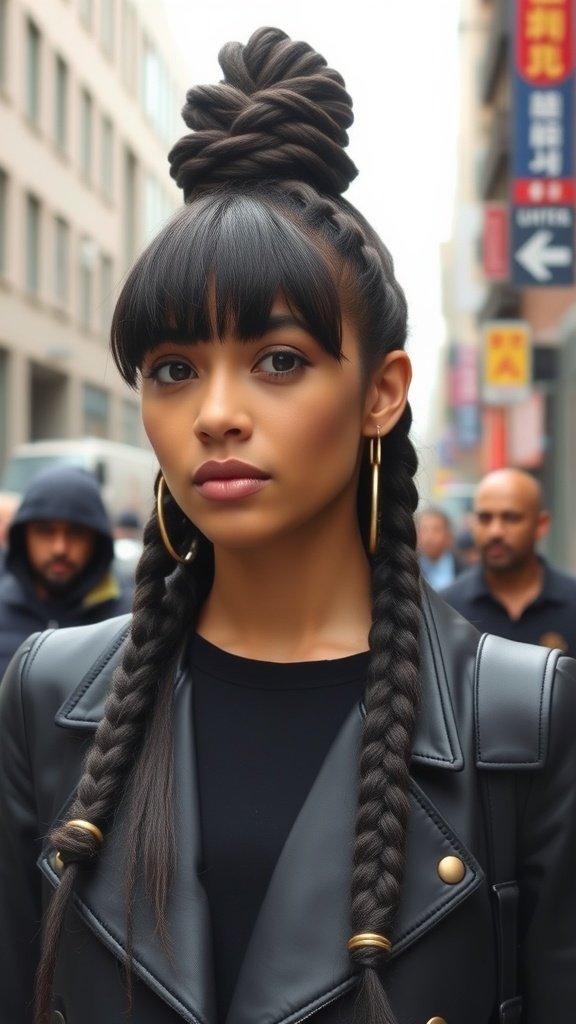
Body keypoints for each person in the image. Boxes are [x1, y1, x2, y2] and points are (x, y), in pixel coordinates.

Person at [0, 28, 575, 1024]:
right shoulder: (47, 700)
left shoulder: (522, 720)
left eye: (278, 360)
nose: (215, 412)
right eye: (174, 368)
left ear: (381, 393)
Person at [0, 464, 134, 677]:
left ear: (96, 540)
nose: (59, 548)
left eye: (76, 532)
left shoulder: (131, 620)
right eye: (45, 531)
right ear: (23, 536)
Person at [441, 466, 576, 656]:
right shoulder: (446, 609)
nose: (495, 531)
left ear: (541, 524)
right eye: (484, 518)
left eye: (511, 518)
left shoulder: (572, 603)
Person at [416, 505, 461, 588]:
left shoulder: (462, 567)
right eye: (424, 530)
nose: (429, 537)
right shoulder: (410, 567)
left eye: (436, 530)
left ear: (448, 535)